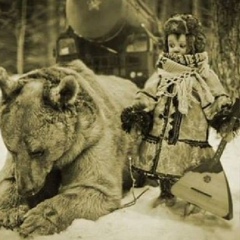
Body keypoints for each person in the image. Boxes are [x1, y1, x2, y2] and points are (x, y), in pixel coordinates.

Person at [121, 14, 235, 207]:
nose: (176, 50)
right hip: (163, 128)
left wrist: (223, 109)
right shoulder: (164, 70)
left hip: (192, 127)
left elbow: (216, 92)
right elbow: (151, 90)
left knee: (190, 162)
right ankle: (166, 192)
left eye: (182, 46)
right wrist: (140, 106)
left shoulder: (202, 72)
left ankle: (193, 192)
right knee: (164, 159)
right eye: (172, 45)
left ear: (193, 45)